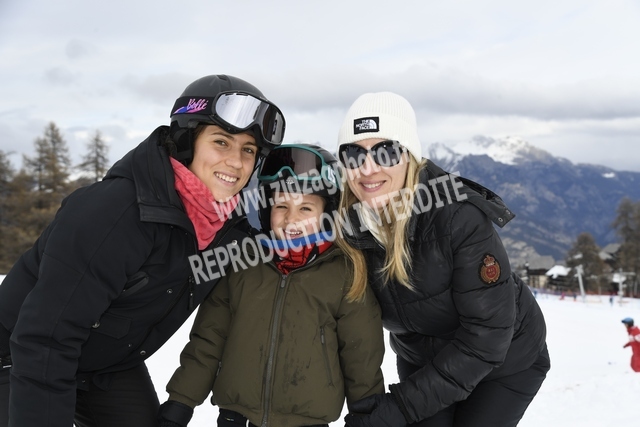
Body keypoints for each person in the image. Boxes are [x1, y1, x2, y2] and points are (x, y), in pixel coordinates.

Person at [0, 74, 286, 427]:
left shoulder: (229, 224)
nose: (236, 162)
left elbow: (302, 229)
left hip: (107, 364)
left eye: (248, 150)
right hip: (19, 355)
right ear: (185, 142)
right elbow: (46, 338)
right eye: (221, 142)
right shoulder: (114, 212)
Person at [334, 92, 550, 427]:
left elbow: (487, 337)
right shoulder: (348, 226)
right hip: (422, 359)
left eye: (386, 152)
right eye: (353, 154)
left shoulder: (457, 219)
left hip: (506, 360)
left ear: (410, 157)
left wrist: (399, 409)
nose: (368, 168)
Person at [157, 144, 385, 427]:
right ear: (266, 212)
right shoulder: (241, 264)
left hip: (306, 422)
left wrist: (368, 416)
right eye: (281, 207)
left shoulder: (345, 273)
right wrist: (180, 402)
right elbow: (209, 339)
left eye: (306, 208)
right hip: (236, 418)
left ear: (327, 212)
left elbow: (361, 356)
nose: (291, 219)